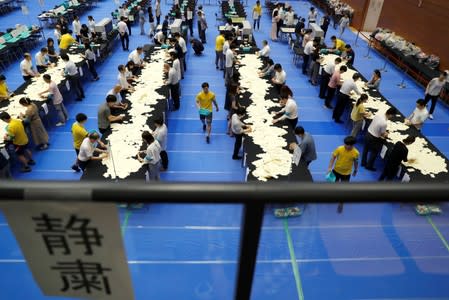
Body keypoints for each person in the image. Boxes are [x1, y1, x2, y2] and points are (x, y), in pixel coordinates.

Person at [327, 136, 359, 213]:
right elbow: (333, 157)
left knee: (344, 188)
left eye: (349, 145)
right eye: (346, 144)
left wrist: (355, 170)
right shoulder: (339, 149)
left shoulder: (356, 153)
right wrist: (329, 167)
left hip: (346, 173)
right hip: (336, 171)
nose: (347, 146)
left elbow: (356, 162)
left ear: (352, 145)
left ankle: (341, 202)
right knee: (334, 183)